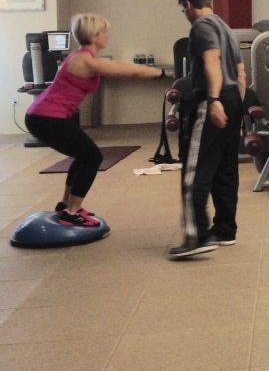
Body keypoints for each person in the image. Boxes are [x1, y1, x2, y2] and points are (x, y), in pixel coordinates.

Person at [24, 13, 164, 226]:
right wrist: (159, 72)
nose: (107, 36)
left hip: (45, 115)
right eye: (104, 32)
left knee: (82, 156)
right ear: (95, 35)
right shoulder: (85, 61)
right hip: (46, 118)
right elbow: (128, 71)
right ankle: (71, 212)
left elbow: (118, 65)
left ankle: (66, 205)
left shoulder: (82, 56)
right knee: (92, 157)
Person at [169, 0, 246, 260]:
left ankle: (196, 237)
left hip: (213, 99)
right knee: (225, 168)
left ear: (189, 5)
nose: (185, 15)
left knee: (195, 170)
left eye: (184, 10)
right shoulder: (226, 27)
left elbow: (211, 60)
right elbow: (241, 72)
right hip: (233, 97)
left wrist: (214, 100)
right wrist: (235, 106)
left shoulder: (200, 26)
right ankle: (225, 230)